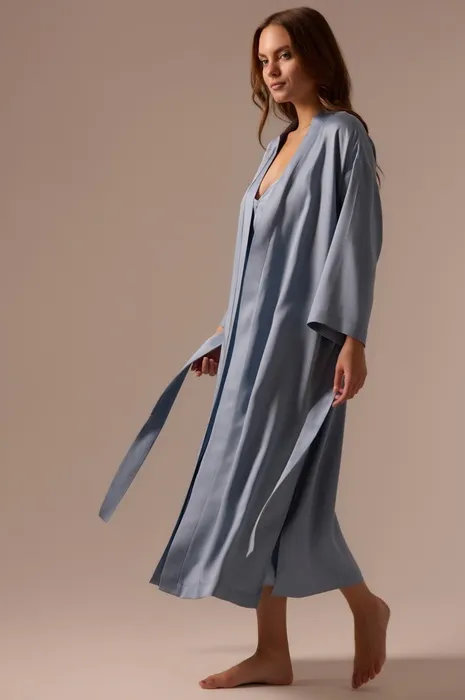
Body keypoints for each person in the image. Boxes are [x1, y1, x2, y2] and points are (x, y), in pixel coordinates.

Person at [99, 6, 389, 691]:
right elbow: (259, 263)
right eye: (263, 60)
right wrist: (225, 336)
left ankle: (357, 608)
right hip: (252, 345)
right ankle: (279, 648)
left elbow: (357, 241)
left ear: (316, 55)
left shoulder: (343, 137)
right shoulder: (277, 146)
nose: (272, 71)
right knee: (262, 488)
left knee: (272, 487)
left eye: (284, 54)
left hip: (303, 347)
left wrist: (354, 339)